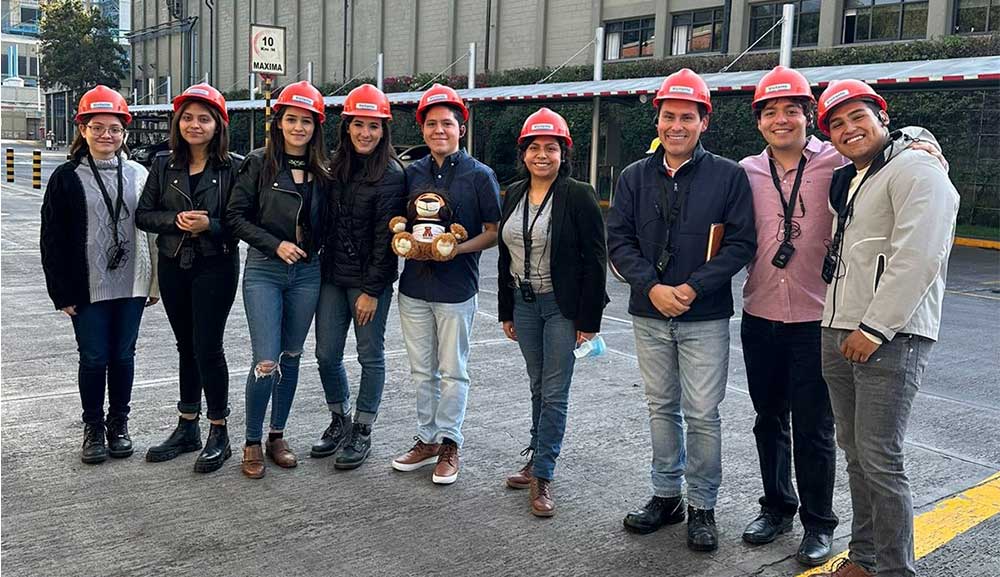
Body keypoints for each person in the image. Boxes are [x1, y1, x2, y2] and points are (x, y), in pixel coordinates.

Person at [606, 68, 756, 552]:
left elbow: (740, 244)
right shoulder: (633, 177)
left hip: (703, 316)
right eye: (668, 116)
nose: (677, 125)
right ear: (658, 120)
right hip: (649, 313)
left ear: (703, 121)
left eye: (687, 117)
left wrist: (692, 288)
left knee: (703, 413)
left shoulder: (728, 177)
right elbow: (620, 241)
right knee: (660, 408)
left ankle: (703, 507)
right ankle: (667, 496)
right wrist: (651, 287)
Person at [813, 80, 958, 577]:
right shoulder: (857, 177)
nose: (848, 129)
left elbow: (918, 255)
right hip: (838, 328)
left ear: (882, 116)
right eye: (836, 123)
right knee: (857, 455)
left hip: (886, 337)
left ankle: (896, 570)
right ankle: (866, 557)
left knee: (881, 459)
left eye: (858, 116)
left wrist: (875, 329)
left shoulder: (916, 165)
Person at [497, 107, 607, 516]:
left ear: (564, 153)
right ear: (523, 152)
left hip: (562, 306)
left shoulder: (577, 194)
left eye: (551, 148)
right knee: (537, 385)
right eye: (534, 147)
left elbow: (596, 260)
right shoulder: (513, 193)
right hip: (524, 305)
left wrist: (588, 322)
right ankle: (535, 455)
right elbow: (504, 257)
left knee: (555, 392)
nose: (542, 155)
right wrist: (506, 310)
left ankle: (543, 473)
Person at [40, 85, 159, 464]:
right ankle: (92, 427)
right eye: (98, 127)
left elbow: (153, 231)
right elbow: (52, 238)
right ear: (83, 129)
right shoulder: (66, 176)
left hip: (132, 282)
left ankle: (118, 424)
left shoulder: (141, 174)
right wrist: (61, 293)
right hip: (86, 285)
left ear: (124, 131)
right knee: (93, 356)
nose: (107, 134)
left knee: (123, 355)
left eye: (115, 128)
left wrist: (155, 283)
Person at [390, 83, 501, 485]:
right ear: (423, 130)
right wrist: (402, 238)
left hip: (457, 289)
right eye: (432, 123)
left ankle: (451, 441)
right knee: (422, 371)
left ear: (461, 129)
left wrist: (458, 249)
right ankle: (427, 439)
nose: (440, 130)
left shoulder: (479, 175)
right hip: (414, 289)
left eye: (448, 123)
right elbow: (401, 221)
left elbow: (493, 231)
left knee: (453, 370)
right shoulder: (412, 173)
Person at [226, 80, 330, 479]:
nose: (299, 127)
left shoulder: (324, 169)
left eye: (306, 121)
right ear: (279, 122)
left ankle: (276, 435)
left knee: (291, 355)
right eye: (292, 119)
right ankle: (251, 440)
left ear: (316, 126)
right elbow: (236, 217)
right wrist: (275, 245)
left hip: (308, 272)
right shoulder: (258, 162)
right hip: (266, 271)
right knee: (266, 359)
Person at [136, 83, 241, 474]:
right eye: (189, 118)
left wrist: (210, 225)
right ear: (178, 122)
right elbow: (144, 214)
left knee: (207, 346)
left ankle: (219, 430)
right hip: (174, 263)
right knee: (185, 346)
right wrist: (176, 222)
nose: (195, 125)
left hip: (216, 264)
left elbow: (240, 222)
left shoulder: (234, 166)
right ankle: (187, 426)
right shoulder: (164, 165)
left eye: (204, 118)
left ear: (218, 125)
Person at [310, 84, 406, 469]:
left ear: (384, 130)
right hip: (332, 277)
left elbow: (387, 238)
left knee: (370, 355)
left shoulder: (392, 175)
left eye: (374, 126)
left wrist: (371, 289)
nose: (366, 133)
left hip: (369, 284)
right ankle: (339, 418)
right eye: (359, 125)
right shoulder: (333, 167)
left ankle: (363, 428)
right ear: (346, 126)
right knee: (325, 354)